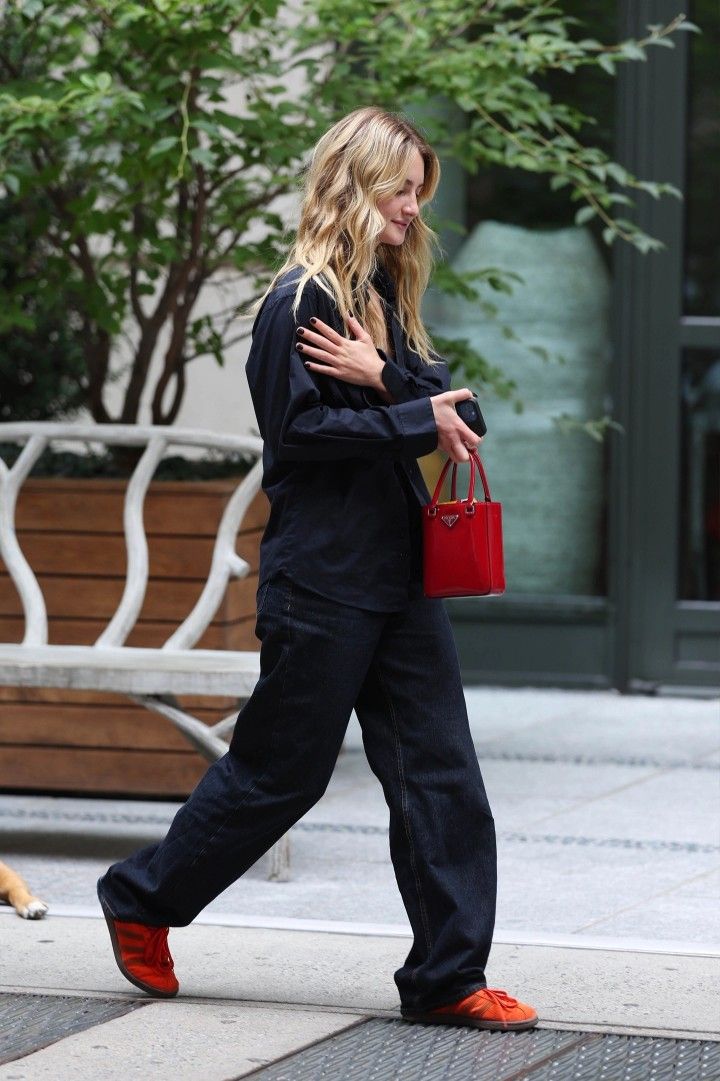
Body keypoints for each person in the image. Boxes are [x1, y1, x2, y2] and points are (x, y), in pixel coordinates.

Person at [97, 106, 538, 1033]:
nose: (413, 209)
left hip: (402, 576)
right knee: (280, 772)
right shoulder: (296, 304)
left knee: (443, 773)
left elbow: (468, 415)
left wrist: (386, 377)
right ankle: (143, 896)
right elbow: (297, 437)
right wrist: (410, 408)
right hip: (324, 578)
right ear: (354, 181)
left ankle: (448, 976)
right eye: (400, 190)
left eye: (420, 192)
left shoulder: (383, 296)